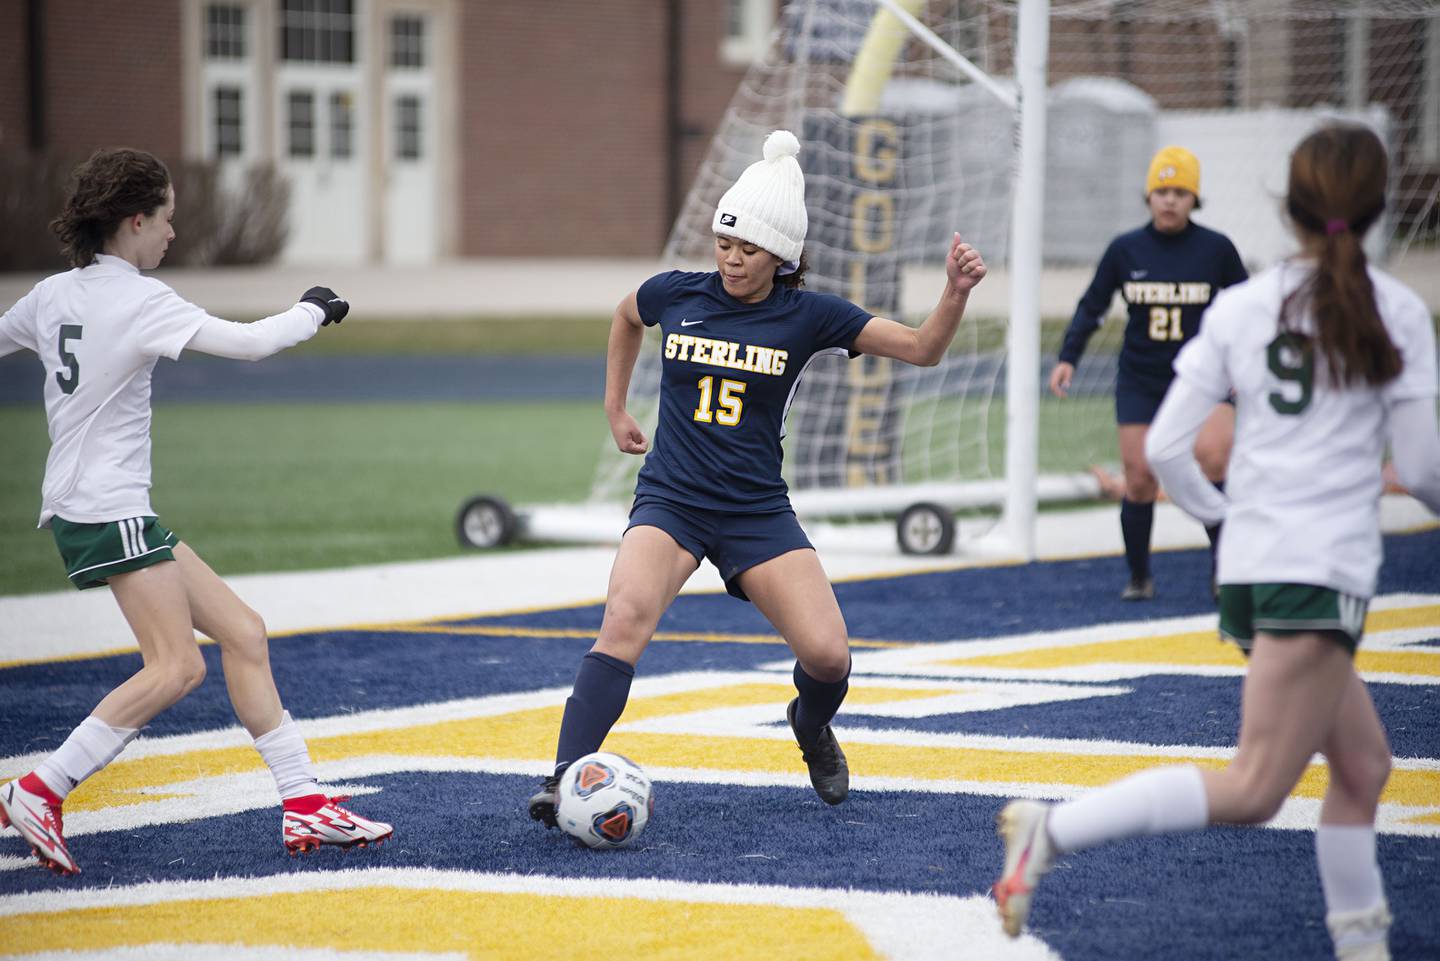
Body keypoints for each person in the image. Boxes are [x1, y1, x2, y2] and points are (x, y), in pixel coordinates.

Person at [993, 124, 1440, 961]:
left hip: (1254, 566)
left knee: (1365, 766)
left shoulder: (1242, 305)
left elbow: (1163, 450)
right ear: (1380, 210)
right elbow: (1420, 467)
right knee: (1255, 787)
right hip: (1317, 573)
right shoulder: (1399, 310)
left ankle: (1363, 942)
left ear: (1291, 206)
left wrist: (1224, 520)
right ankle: (1048, 832)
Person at [527, 130, 987, 826]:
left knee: (830, 656)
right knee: (622, 618)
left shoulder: (810, 316)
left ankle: (808, 725)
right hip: (672, 498)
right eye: (724, 243)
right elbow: (626, 316)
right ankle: (563, 778)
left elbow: (922, 349)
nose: (732, 259)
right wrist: (615, 404)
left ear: (784, 256)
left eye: (748, 250)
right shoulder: (677, 294)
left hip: (754, 510)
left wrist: (953, 293)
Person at [0, 147, 393, 875]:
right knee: (176, 666)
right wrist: (314, 308)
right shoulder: (139, 300)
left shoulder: (52, 294)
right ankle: (39, 787)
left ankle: (304, 801)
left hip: (102, 507)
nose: (173, 236)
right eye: (167, 222)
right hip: (107, 506)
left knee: (243, 632)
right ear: (135, 220)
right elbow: (247, 344)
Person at [1049, 146, 1248, 600]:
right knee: (1139, 476)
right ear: (1148, 196)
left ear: (1194, 198)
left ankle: (1226, 571)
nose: (1170, 200)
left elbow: (1247, 309)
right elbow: (1092, 306)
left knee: (1214, 458)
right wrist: (1068, 356)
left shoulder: (1216, 249)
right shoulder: (1126, 249)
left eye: (1180, 191)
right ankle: (1139, 576)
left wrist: (1245, 363)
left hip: (1203, 379)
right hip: (1141, 377)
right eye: (1161, 190)